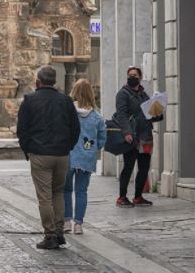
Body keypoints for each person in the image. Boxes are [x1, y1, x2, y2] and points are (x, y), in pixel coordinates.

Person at [17, 65, 80, 250]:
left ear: (38, 80)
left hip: (40, 153)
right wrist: (68, 146)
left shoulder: (29, 100)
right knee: (58, 192)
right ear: (55, 81)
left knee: (44, 197)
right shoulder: (66, 101)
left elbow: (22, 130)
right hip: (61, 154)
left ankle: (50, 234)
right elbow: (75, 128)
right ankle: (59, 230)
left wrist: (28, 150)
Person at [114, 66, 163, 207]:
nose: (132, 77)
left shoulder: (143, 94)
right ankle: (122, 197)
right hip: (132, 137)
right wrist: (127, 132)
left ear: (140, 78)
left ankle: (138, 196)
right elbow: (121, 115)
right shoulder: (123, 94)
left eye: (135, 75)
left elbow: (149, 115)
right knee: (128, 167)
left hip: (146, 136)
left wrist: (158, 111)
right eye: (130, 75)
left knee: (144, 167)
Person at [64, 79, 106, 235]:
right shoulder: (96, 117)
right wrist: (93, 148)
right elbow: (102, 139)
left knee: (66, 190)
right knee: (81, 191)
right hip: (86, 158)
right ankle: (78, 224)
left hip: (68, 156)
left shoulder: (68, 113)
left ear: (74, 92)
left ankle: (66, 221)